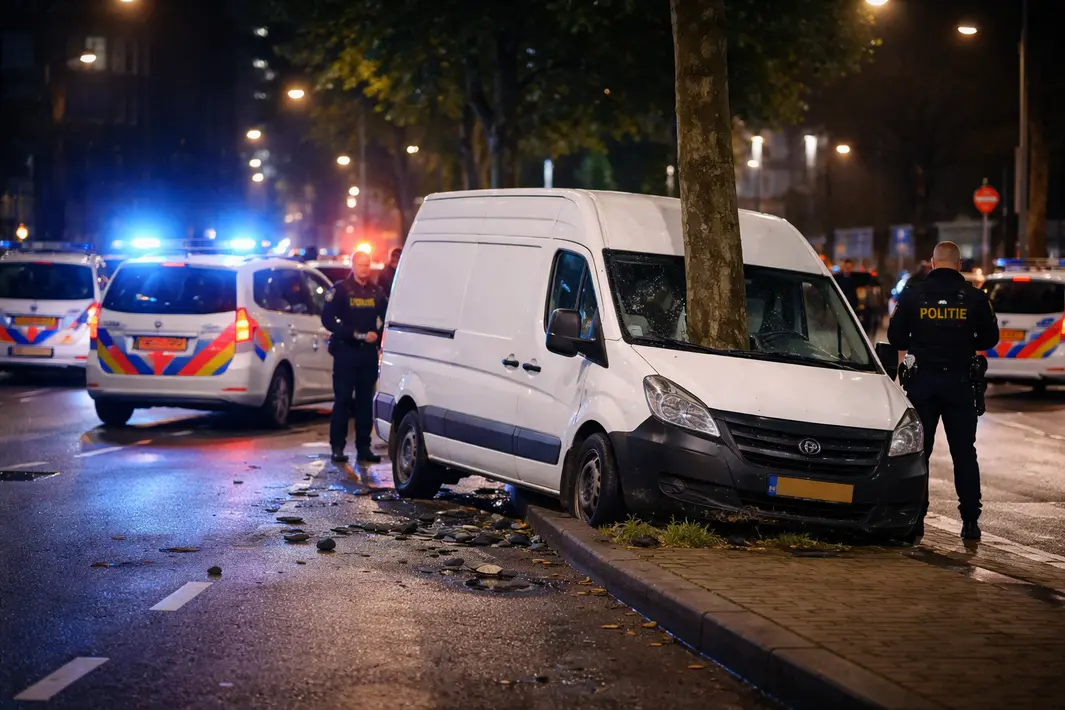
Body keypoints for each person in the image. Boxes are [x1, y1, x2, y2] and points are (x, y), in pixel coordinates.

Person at [887, 241, 999, 540]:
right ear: (959, 264)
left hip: (922, 384)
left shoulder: (913, 295)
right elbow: (990, 338)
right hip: (960, 384)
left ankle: (916, 519)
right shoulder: (975, 298)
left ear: (933, 263)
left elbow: (895, 337)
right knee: (964, 454)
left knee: (919, 453)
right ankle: (971, 522)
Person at [321, 250, 388, 464]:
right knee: (342, 401)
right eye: (360, 265)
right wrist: (353, 334)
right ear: (353, 266)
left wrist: (378, 340)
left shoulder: (377, 292)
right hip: (346, 352)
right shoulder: (341, 290)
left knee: (364, 404)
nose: (364, 269)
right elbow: (327, 318)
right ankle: (338, 447)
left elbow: (387, 318)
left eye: (367, 265)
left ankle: (363, 447)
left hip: (367, 355)